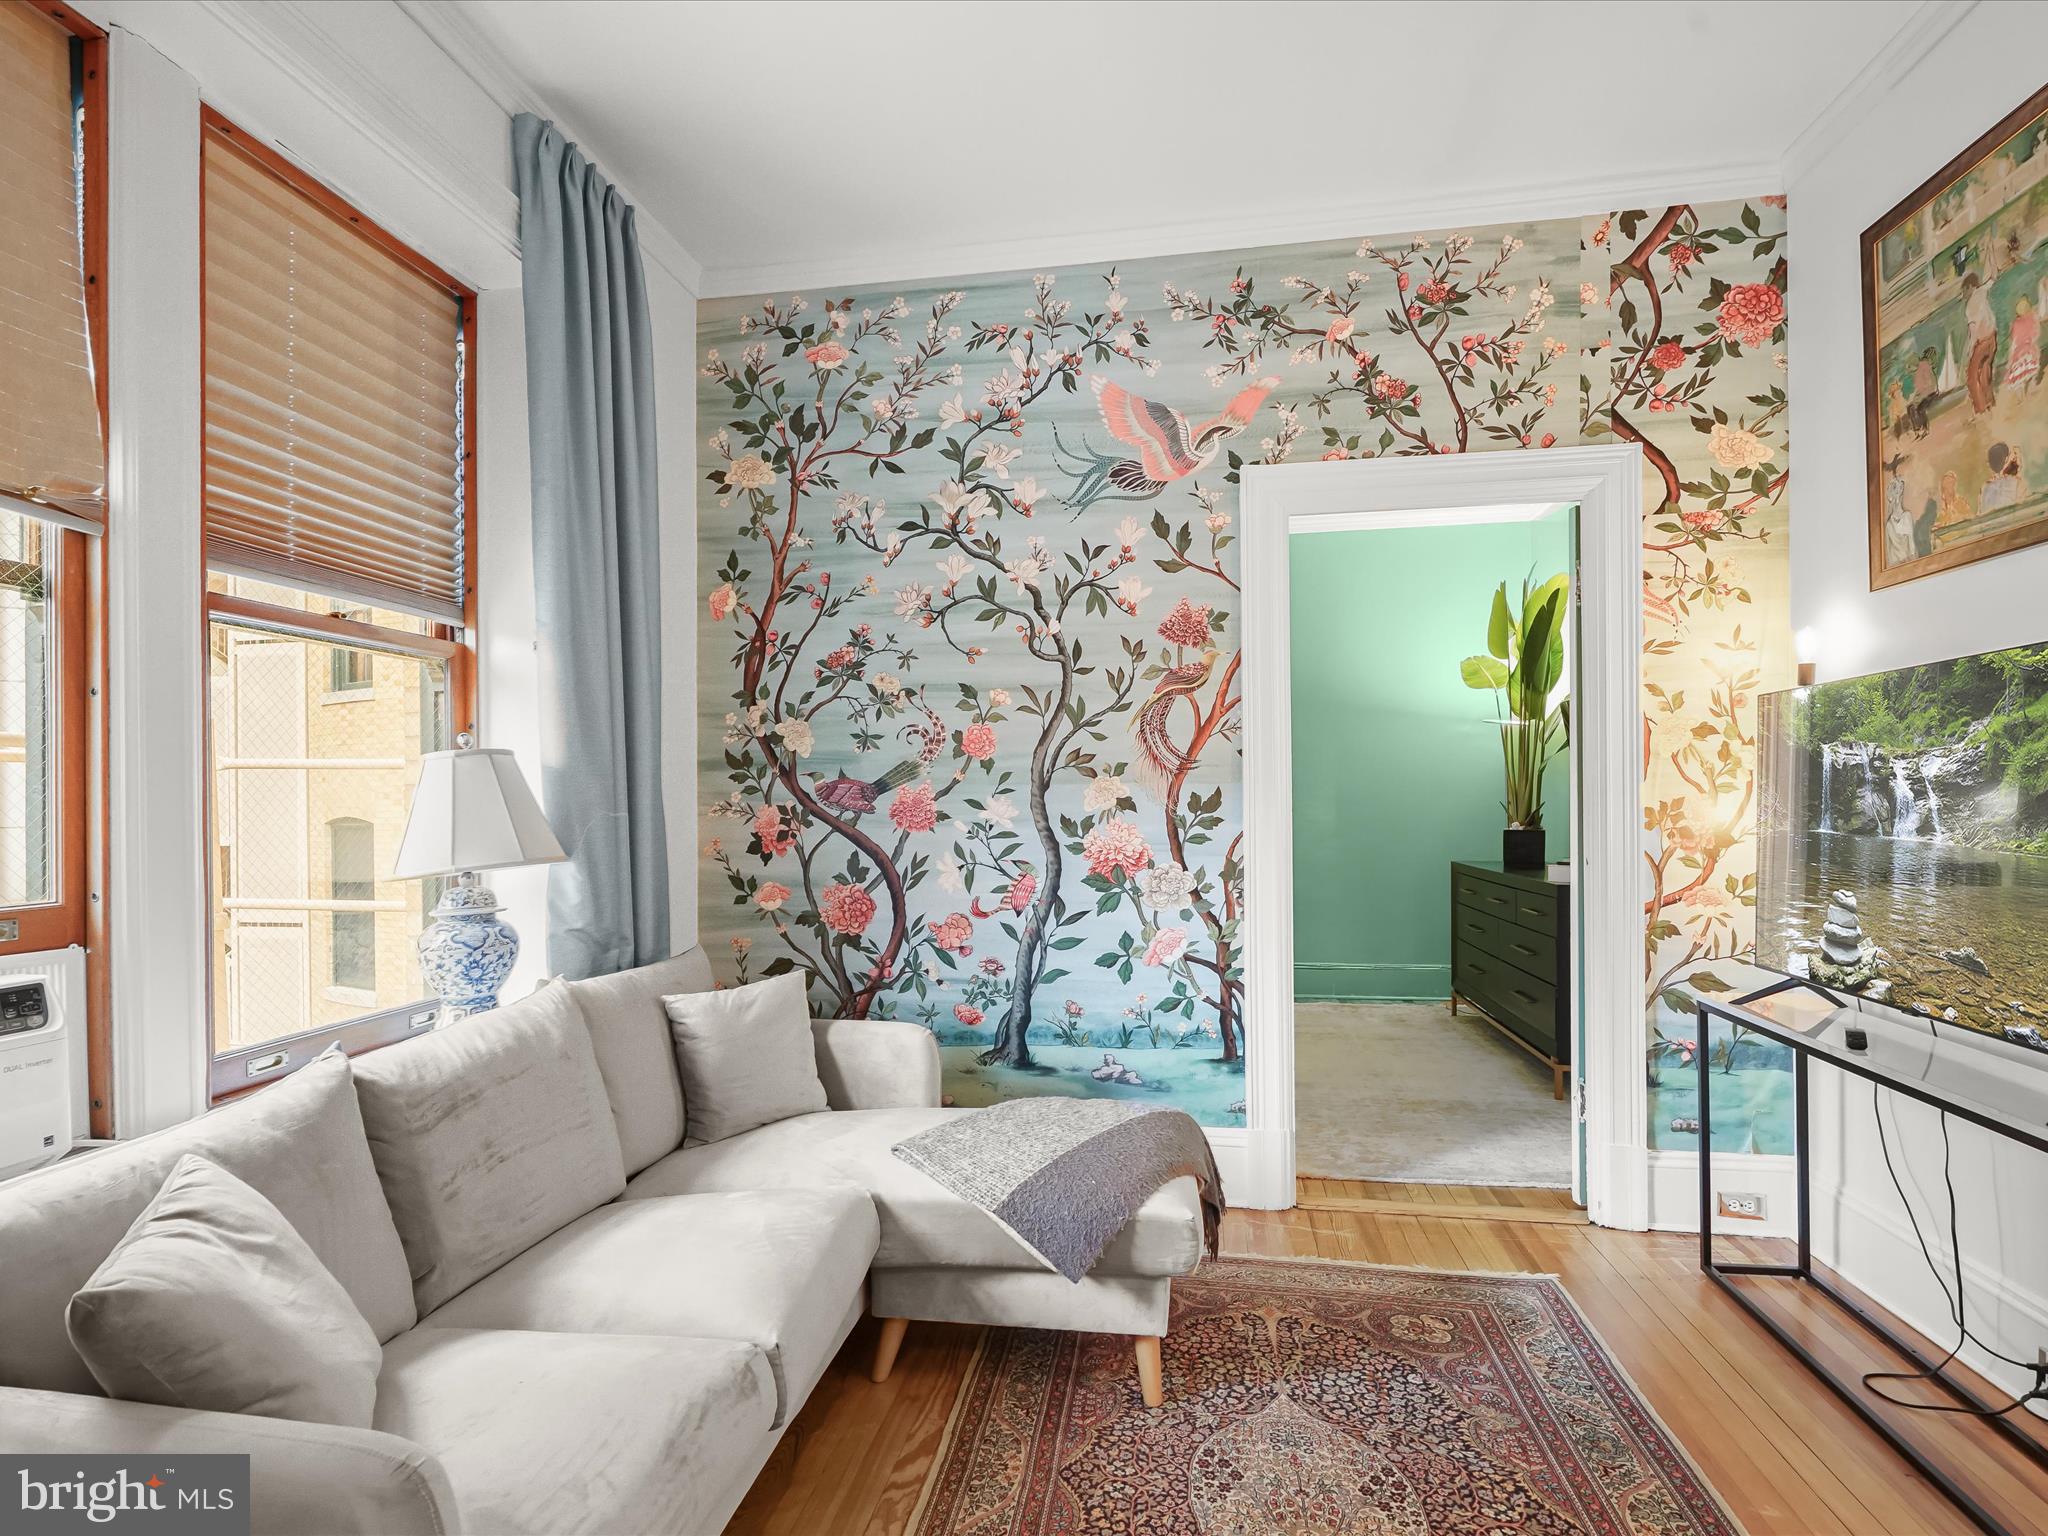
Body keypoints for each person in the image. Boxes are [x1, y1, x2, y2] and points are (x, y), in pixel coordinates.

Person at [1964, 273, 1999, 414]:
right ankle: (1990, 401)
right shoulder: (1981, 291)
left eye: (1965, 289)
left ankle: (1981, 407)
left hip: (1982, 343)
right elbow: (1994, 276)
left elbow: (1973, 334)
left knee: (1972, 378)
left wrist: (1970, 350)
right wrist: (1990, 250)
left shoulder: (1969, 307)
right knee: (1985, 372)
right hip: (1992, 338)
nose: (1964, 293)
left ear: (1971, 287)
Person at [2005, 297, 2040, 390]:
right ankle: (2032, 385)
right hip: (2030, 350)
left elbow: (2013, 344)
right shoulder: (2032, 318)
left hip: (2019, 353)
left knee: (2018, 375)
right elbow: (2036, 334)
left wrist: (2009, 360)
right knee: (2031, 371)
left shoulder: (2015, 324)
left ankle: (2021, 393)